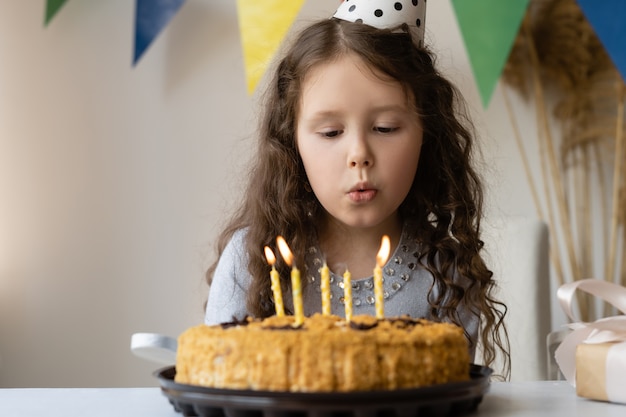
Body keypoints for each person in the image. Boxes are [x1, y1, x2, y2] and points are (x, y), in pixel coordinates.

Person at [204, 0, 510, 378]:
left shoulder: (447, 276)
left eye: (385, 128)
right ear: (291, 143)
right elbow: (219, 387)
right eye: (331, 133)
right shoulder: (250, 263)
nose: (359, 155)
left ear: (426, 133)